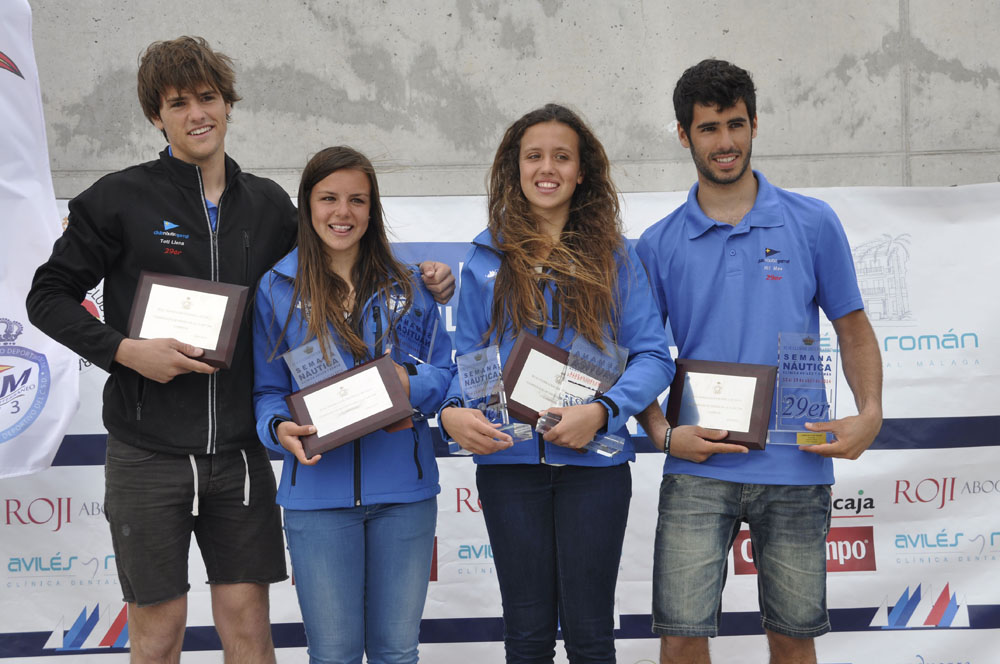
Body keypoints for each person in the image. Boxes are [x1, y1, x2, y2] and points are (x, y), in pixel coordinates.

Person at [25, 36, 454, 664]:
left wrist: (427, 278)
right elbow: (47, 296)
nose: (197, 114)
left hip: (240, 455)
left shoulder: (271, 206)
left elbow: (341, 260)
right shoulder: (118, 199)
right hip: (147, 454)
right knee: (158, 635)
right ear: (156, 116)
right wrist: (123, 350)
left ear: (228, 104)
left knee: (250, 634)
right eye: (178, 103)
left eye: (208, 97)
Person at [635, 59, 883, 664]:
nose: (725, 142)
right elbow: (637, 355)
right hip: (699, 467)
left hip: (797, 462)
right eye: (709, 128)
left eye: (736, 124)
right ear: (683, 133)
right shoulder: (657, 243)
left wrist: (871, 414)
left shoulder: (813, 222)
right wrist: (664, 435)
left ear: (754, 123)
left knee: (793, 640)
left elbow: (852, 328)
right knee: (681, 637)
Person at [440, 103, 673, 663]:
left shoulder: (616, 256)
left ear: (582, 171)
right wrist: (455, 409)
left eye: (562, 157)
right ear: (514, 169)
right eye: (534, 156)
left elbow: (653, 358)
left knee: (591, 634)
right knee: (525, 635)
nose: (548, 168)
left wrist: (604, 411)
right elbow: (467, 361)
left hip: (595, 467)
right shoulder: (484, 257)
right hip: (509, 467)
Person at [252, 146, 452, 663]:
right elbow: (267, 391)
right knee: (334, 654)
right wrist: (277, 428)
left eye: (357, 200)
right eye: (329, 198)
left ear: (372, 208)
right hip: (318, 497)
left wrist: (407, 382)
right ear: (307, 205)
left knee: (396, 653)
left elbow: (448, 376)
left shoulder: (410, 285)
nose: (343, 213)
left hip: (404, 496)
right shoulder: (275, 288)